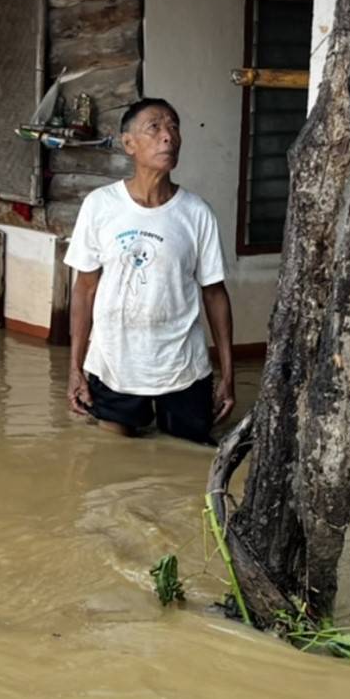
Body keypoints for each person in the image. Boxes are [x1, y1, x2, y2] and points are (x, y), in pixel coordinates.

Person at [64, 98, 234, 444]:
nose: (167, 136)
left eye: (173, 126)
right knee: (113, 459)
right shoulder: (100, 205)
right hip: (114, 365)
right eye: (154, 128)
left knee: (188, 457)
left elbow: (214, 293)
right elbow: (84, 289)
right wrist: (75, 367)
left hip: (183, 368)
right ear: (129, 144)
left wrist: (228, 374)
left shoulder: (196, 213)